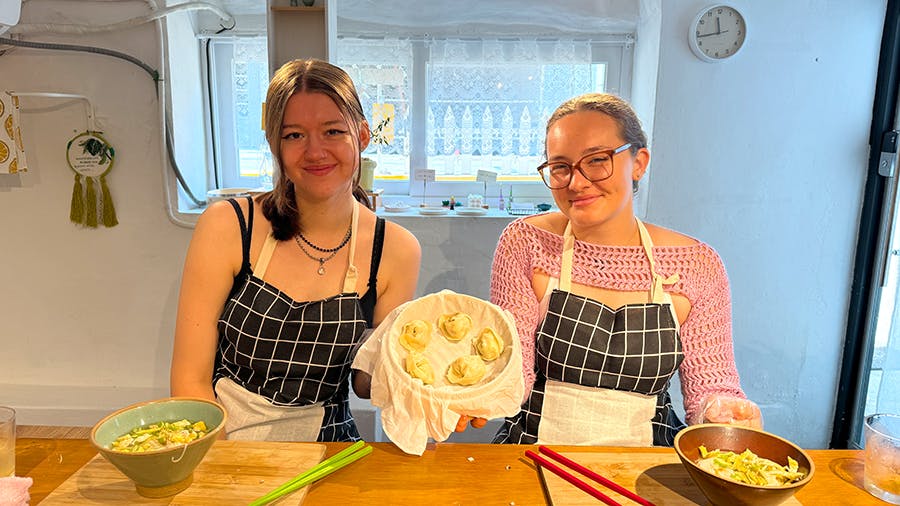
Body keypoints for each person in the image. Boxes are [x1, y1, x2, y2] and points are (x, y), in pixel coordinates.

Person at [170, 59, 421, 442]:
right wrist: (223, 472)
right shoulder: (229, 225)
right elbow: (190, 380)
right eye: (293, 135)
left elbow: (368, 383)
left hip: (329, 446)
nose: (315, 151)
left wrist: (436, 390)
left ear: (363, 135)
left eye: (333, 131)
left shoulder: (395, 249)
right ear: (274, 144)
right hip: (225, 440)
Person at [490, 93, 761, 446]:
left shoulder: (697, 265)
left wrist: (724, 412)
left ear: (639, 162)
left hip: (649, 465)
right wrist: (474, 391)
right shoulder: (526, 243)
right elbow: (514, 370)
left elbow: (712, 387)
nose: (576, 182)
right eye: (560, 167)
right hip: (531, 455)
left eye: (597, 160)